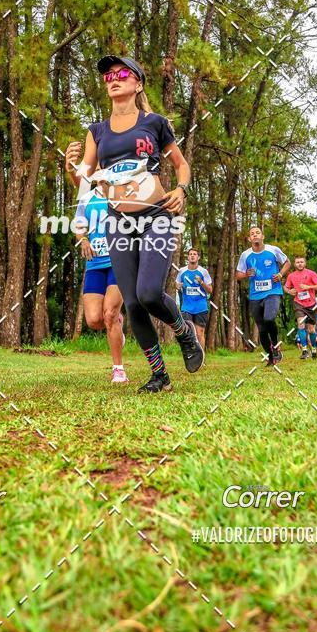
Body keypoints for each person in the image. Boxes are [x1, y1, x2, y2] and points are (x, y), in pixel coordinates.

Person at [65, 55, 203, 394]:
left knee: (149, 292)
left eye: (122, 73)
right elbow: (85, 185)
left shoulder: (154, 123)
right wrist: (72, 169)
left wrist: (181, 190)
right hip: (117, 222)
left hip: (155, 215)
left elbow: (181, 164)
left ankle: (184, 331)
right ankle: (160, 376)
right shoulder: (96, 131)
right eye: (108, 76)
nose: (114, 79)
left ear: (138, 83)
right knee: (133, 302)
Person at [73, 188, 128, 382]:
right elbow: (79, 227)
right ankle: (118, 321)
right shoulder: (86, 199)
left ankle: (118, 370)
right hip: (94, 263)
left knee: (109, 314)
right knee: (94, 320)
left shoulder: (121, 193)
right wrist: (83, 240)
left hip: (118, 262)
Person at [236, 227, 290, 365]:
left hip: (273, 291)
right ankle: (271, 357)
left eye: (257, 233)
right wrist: (246, 274)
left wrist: (280, 274)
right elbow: (238, 275)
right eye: (252, 234)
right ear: (249, 239)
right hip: (255, 295)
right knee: (261, 328)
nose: (255, 235)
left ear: (262, 236)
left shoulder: (273, 250)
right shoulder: (245, 255)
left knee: (269, 318)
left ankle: (276, 345)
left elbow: (287, 263)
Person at [284, 256, 317, 359]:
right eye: (297, 262)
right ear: (294, 264)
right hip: (299, 304)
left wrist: (309, 287)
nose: (300, 264)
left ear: (305, 263)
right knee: (301, 324)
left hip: (311, 305)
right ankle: (304, 350)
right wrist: (289, 291)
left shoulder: (311, 273)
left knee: (311, 330)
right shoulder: (291, 276)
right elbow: (285, 287)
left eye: (301, 262)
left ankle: (314, 349)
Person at [175, 247, 212, 350]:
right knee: (188, 333)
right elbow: (177, 284)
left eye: (194, 254)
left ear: (198, 257)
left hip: (201, 307)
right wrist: (177, 286)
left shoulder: (203, 271)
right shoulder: (182, 271)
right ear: (188, 257)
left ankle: (201, 357)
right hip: (187, 307)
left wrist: (201, 282)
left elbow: (210, 290)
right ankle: (191, 355)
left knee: (200, 333)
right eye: (190, 254)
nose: (192, 256)